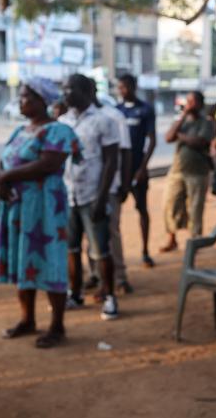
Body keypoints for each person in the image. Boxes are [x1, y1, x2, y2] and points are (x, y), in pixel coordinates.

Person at [0, 78, 80, 348]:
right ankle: (27, 319)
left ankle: (57, 326)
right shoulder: (20, 130)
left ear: (43, 101)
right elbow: (4, 157)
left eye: (26, 97)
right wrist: (0, 178)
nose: (21, 102)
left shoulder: (58, 131)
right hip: (17, 206)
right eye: (20, 97)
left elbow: (48, 164)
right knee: (23, 259)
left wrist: (6, 176)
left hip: (44, 207)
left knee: (50, 259)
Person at [60, 73, 121, 320]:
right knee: (71, 249)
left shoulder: (104, 121)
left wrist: (101, 197)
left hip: (92, 196)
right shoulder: (62, 122)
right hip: (68, 197)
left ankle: (109, 296)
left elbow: (111, 161)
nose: (66, 94)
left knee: (100, 250)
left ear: (86, 92)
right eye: (64, 89)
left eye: (70, 89)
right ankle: (75, 293)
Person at [89, 78, 133, 295]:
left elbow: (124, 153)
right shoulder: (72, 119)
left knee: (111, 232)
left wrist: (125, 185)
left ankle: (120, 277)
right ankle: (96, 276)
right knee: (90, 234)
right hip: (85, 191)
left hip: (110, 187)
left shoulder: (113, 116)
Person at [160, 91, 215, 252]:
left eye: (192, 102)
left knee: (195, 208)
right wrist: (183, 116)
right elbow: (169, 137)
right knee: (170, 204)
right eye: (187, 102)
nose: (189, 105)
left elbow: (200, 141)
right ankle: (172, 238)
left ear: (199, 103)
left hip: (198, 172)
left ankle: (194, 241)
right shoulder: (182, 121)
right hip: (177, 170)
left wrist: (181, 136)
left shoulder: (206, 122)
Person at [116, 73, 157, 267]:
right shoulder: (117, 111)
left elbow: (152, 140)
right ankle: (117, 258)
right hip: (120, 171)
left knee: (142, 209)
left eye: (125, 87)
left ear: (133, 87)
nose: (122, 91)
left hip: (137, 169)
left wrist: (143, 168)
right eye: (120, 87)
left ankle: (145, 251)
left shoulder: (145, 110)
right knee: (114, 212)